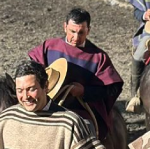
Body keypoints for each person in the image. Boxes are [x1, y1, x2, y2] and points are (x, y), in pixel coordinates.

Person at [28, 8, 123, 140]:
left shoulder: (98, 57)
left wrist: (84, 91)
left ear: (88, 30)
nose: (76, 38)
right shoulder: (49, 47)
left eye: (81, 32)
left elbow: (110, 89)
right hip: (45, 104)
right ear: (65, 27)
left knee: (87, 136)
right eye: (72, 31)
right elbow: (30, 70)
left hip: (79, 111)